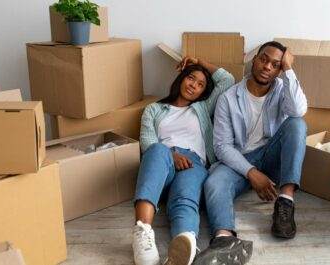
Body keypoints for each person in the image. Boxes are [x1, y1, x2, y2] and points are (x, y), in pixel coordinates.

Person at [193, 41, 308, 265]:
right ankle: (225, 241)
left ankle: (285, 202)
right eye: (264, 59)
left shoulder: (283, 92)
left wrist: (289, 70)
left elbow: (298, 111)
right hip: (240, 161)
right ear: (254, 59)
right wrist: (251, 173)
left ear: (278, 70)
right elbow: (222, 146)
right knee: (213, 183)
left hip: (273, 157)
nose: (267, 67)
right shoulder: (229, 97)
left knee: (297, 124)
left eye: (275, 65)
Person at [132, 56, 234, 265]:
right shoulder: (154, 109)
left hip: (193, 162)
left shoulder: (203, 108)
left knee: (185, 199)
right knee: (158, 148)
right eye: (191, 78)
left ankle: (185, 246)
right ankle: (142, 232)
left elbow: (227, 80)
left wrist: (200, 61)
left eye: (200, 84)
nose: (193, 85)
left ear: (202, 91)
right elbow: (147, 142)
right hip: (162, 162)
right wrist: (171, 154)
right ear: (181, 79)